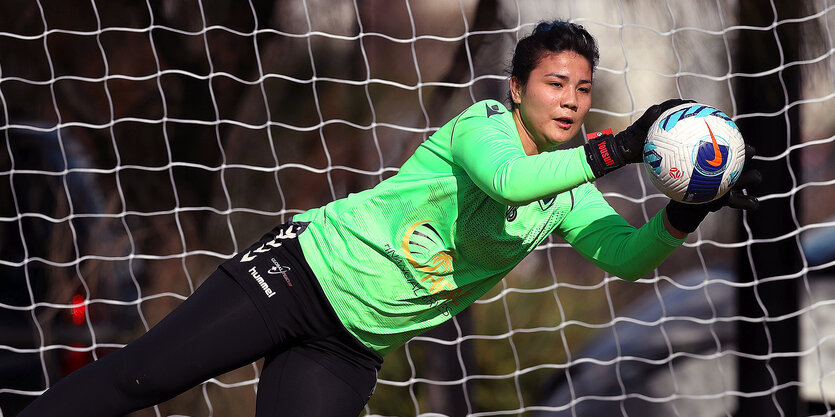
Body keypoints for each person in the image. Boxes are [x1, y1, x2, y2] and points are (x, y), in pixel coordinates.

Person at [20, 19, 758, 417]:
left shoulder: (570, 187)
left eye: (582, 87)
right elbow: (509, 180)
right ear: (517, 87)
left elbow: (623, 255)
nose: (569, 97)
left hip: (348, 343)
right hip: (297, 276)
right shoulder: (484, 125)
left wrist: (683, 211)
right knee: (135, 381)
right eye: (554, 81)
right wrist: (622, 146)